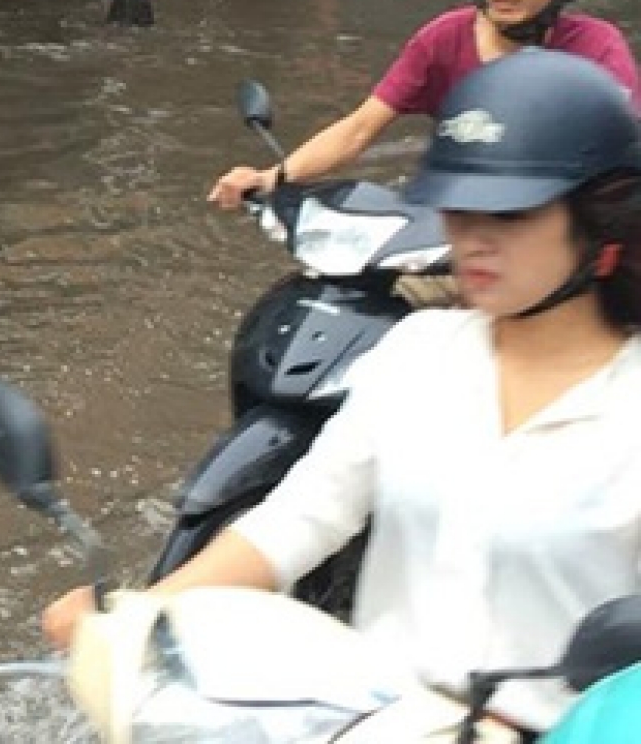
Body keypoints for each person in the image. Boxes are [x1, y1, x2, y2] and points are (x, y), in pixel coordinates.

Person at [48, 48, 641, 735]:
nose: (471, 238)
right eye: (458, 208)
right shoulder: (418, 356)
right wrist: (141, 612)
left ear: (601, 228)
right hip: (373, 723)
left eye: (508, 216)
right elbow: (299, 520)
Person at [210, 0, 638, 209]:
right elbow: (360, 128)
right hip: (464, 219)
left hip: (563, 227)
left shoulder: (597, 48)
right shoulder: (443, 39)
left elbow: (624, 149)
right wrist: (274, 178)